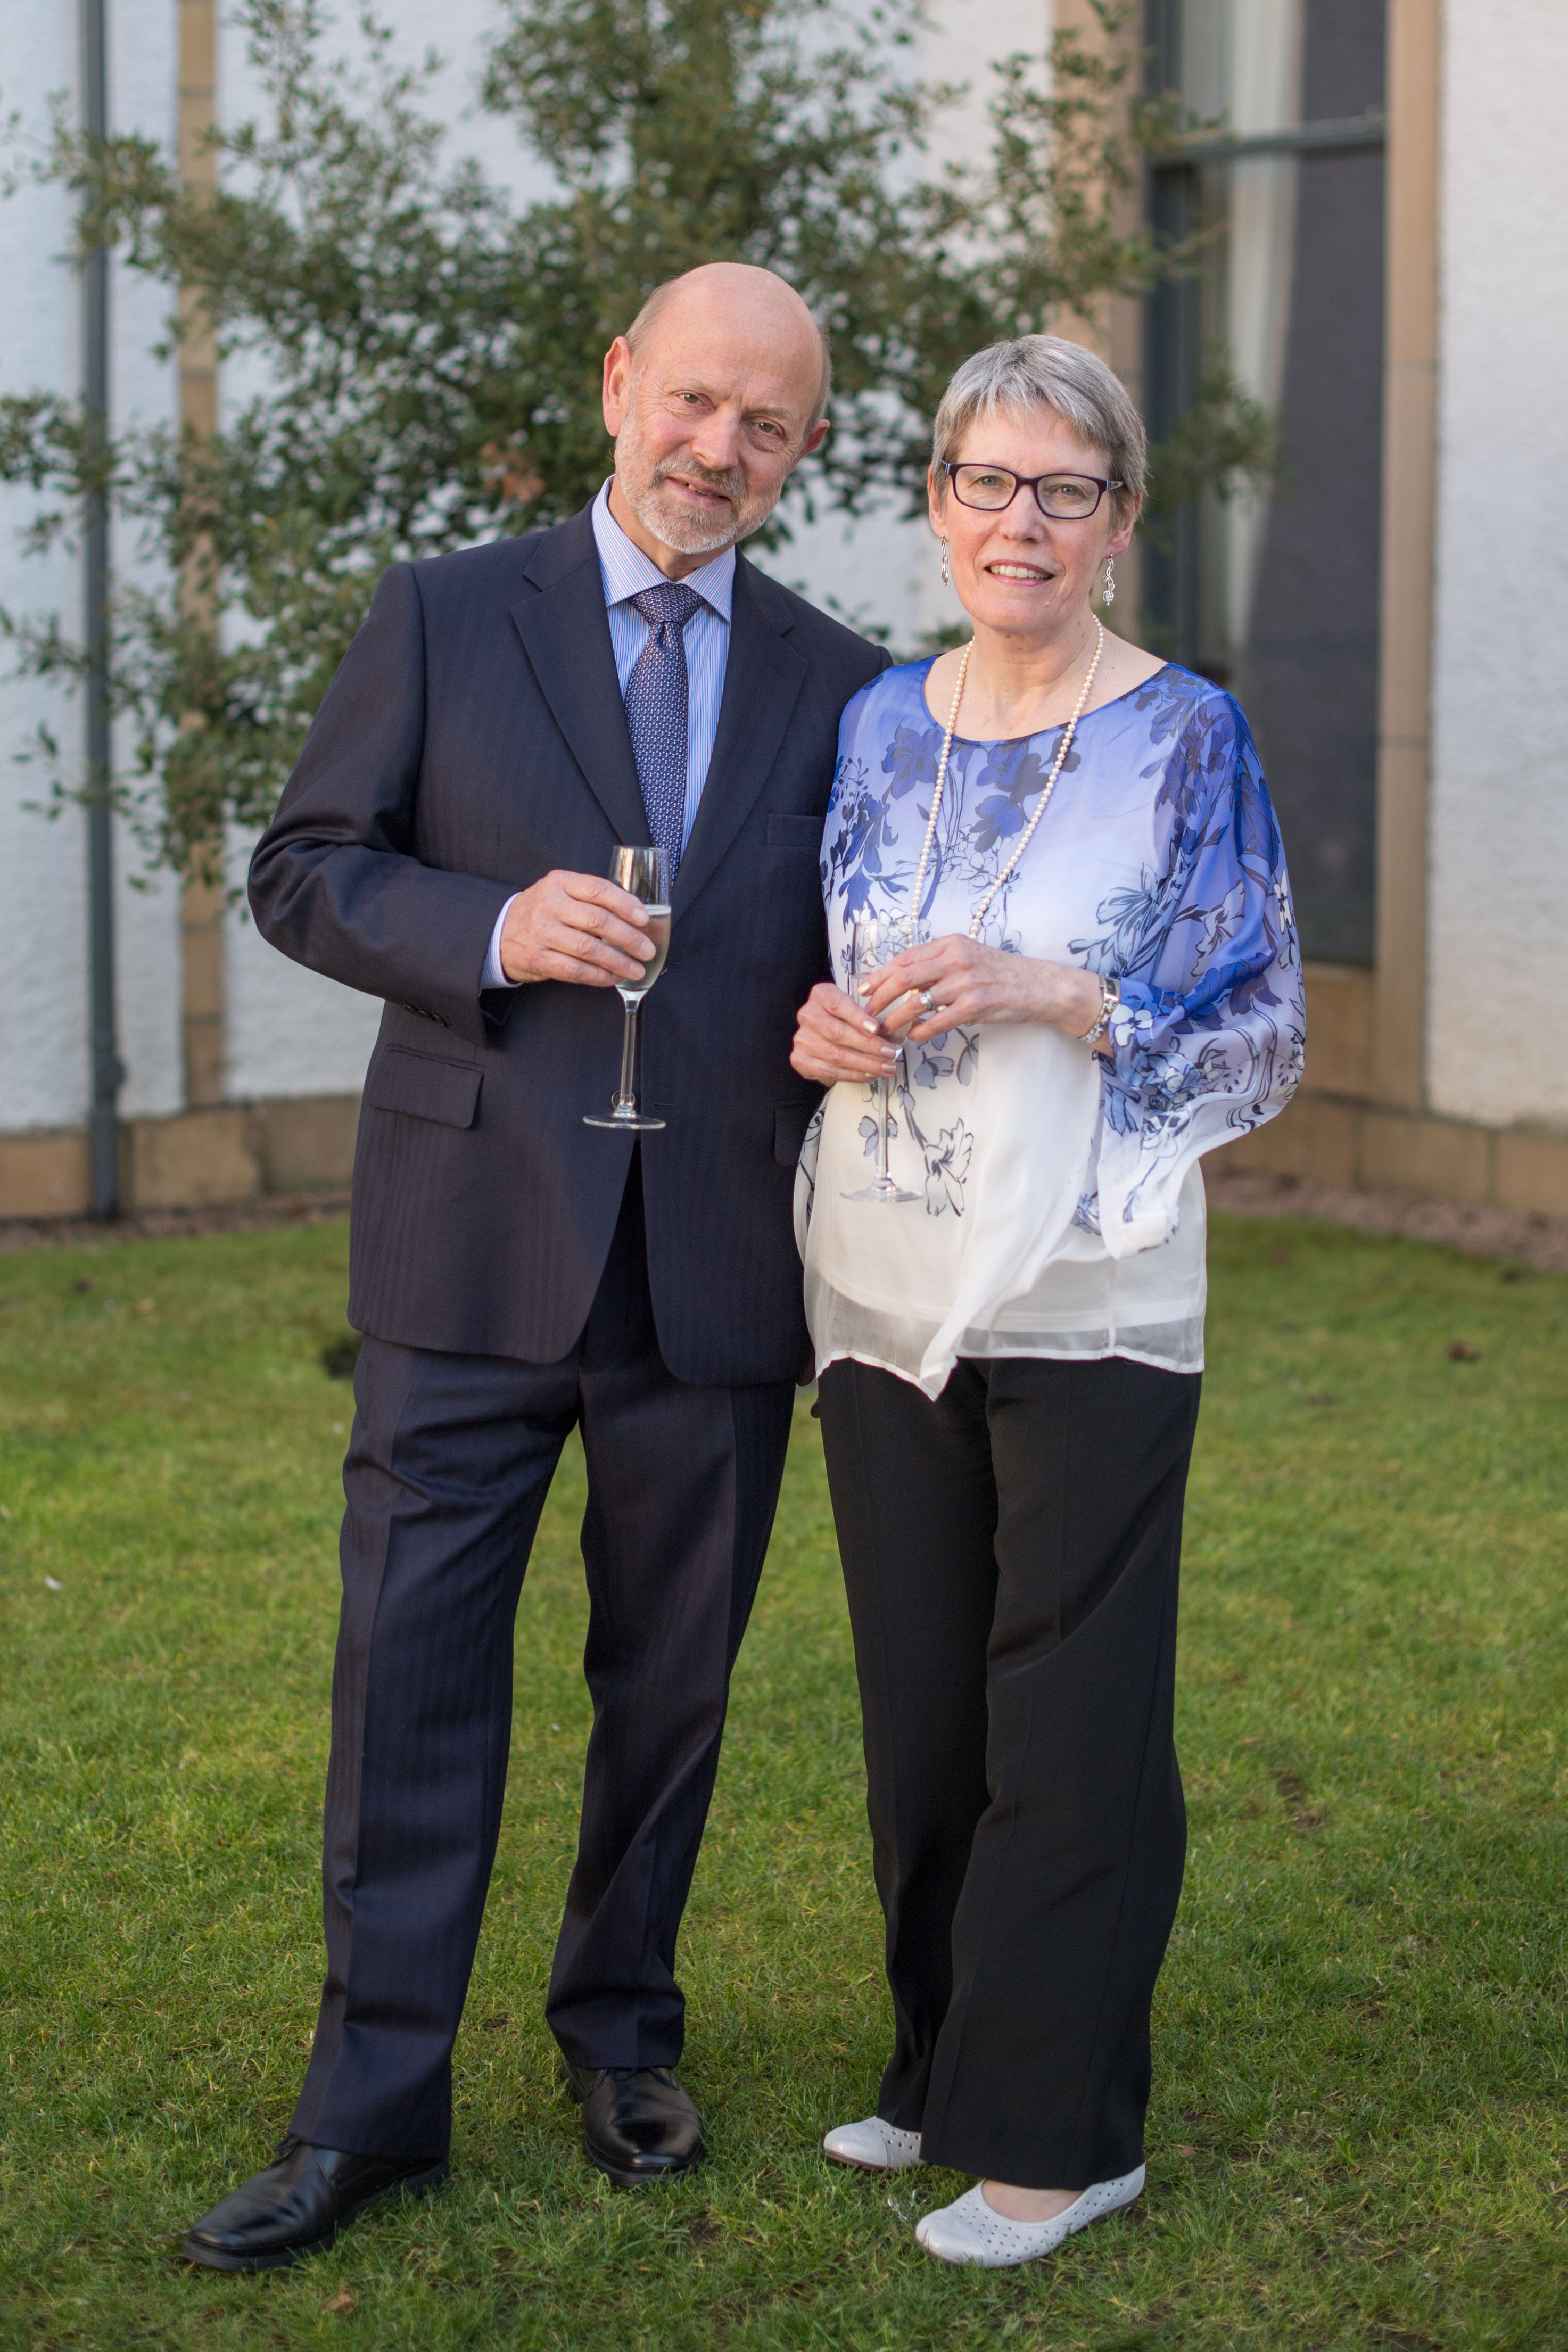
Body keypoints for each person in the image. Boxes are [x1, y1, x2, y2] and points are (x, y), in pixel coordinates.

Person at [180, 263, 888, 2273]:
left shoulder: (851, 684)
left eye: (765, 425)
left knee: (669, 1689)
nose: (717, 448)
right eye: (693, 401)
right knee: (411, 1672)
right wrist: (491, 930)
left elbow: (856, 941)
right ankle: (368, 2098)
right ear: (617, 384)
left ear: (801, 450)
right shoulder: (440, 610)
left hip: (719, 1262)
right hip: (470, 1239)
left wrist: (859, 1018)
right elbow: (305, 867)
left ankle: (622, 2030)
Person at [790, 335, 1303, 2269]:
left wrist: (1058, 993)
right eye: (988, 482)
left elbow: (1261, 1026)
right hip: (883, 1274)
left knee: (1069, 1711)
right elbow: (835, 965)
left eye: (1063, 490)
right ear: (938, 503)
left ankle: (1061, 2137)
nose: (1022, 521)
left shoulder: (1187, 735)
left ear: (1117, 522)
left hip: (1089, 1278)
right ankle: (941, 2068)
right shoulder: (875, 722)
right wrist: (823, 1024)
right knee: (925, 1704)